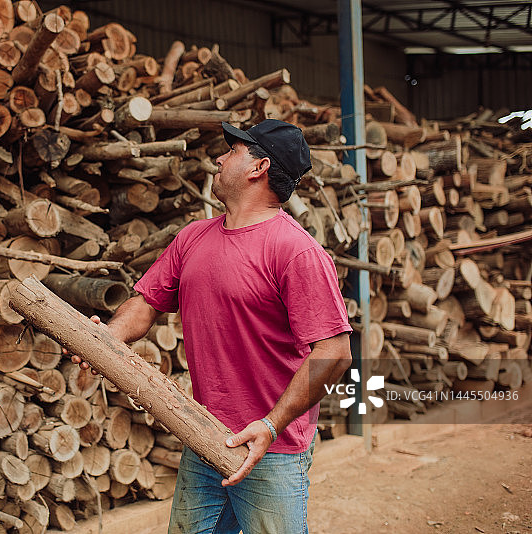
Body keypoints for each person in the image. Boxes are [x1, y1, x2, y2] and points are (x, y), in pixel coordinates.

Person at [71, 119, 353, 533]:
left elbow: (334, 353)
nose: (219, 158)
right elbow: (147, 302)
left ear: (259, 167)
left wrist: (271, 426)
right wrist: (109, 337)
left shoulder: (296, 252)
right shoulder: (193, 237)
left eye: (233, 151)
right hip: (205, 437)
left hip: (271, 449)